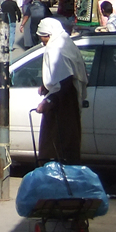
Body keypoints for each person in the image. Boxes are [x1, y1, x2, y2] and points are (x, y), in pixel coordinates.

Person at [35, 17, 89, 164]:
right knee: (67, 143)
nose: (42, 42)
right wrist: (46, 85)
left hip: (63, 105)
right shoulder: (64, 42)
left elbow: (65, 80)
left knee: (57, 146)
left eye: (42, 38)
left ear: (49, 34)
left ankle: (59, 173)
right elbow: (60, 74)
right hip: (67, 101)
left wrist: (49, 100)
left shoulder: (56, 48)